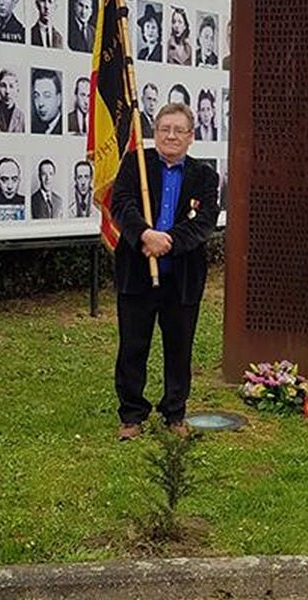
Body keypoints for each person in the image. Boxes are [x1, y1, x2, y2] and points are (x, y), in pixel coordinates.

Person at [110, 102, 219, 441]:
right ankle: (132, 415)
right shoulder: (135, 164)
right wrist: (144, 234)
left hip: (181, 279)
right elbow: (122, 205)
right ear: (154, 133)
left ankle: (175, 413)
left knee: (179, 348)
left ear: (191, 136)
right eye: (163, 129)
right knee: (132, 347)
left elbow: (204, 224)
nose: (170, 135)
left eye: (178, 130)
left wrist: (167, 241)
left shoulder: (205, 176)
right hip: (137, 275)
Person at [31, 69, 63, 134]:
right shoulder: (35, 129)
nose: (40, 103)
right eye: (36, 96)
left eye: (47, 96)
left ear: (59, 99)